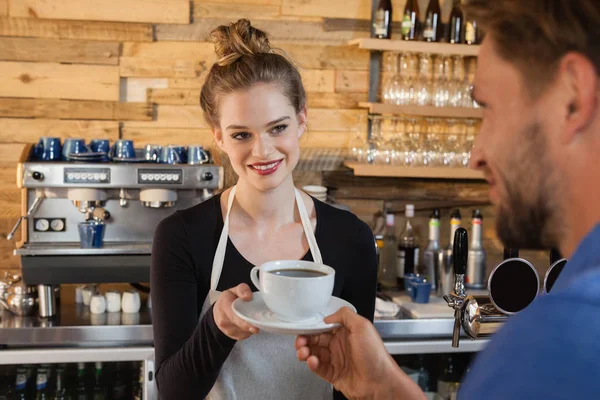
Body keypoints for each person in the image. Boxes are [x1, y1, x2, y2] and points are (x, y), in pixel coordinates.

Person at [296, 0, 600, 398]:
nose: (476, 153)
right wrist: (386, 389)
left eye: (487, 111)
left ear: (572, 97)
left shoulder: (560, 341)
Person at [150, 19, 377, 399]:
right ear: (218, 136)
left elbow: (357, 383)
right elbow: (173, 392)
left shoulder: (351, 238)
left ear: (302, 119)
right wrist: (216, 329)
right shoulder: (182, 236)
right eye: (242, 134)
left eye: (277, 128)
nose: (262, 151)